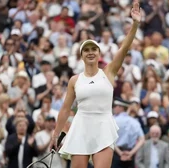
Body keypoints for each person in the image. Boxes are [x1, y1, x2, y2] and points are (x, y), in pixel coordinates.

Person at [49, 0, 142, 167]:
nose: (90, 52)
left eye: (94, 49)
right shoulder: (75, 80)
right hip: (80, 127)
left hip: (104, 126)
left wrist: (135, 24)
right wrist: (56, 134)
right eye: (86, 50)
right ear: (81, 55)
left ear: (99, 53)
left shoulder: (109, 72)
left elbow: (124, 48)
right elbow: (65, 109)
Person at [112, 98, 145, 168]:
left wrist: (120, 153)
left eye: (115, 106)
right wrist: (131, 153)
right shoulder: (135, 122)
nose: (113, 108)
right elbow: (142, 139)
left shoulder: (113, 120)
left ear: (121, 107)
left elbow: (109, 139)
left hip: (116, 153)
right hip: (130, 154)